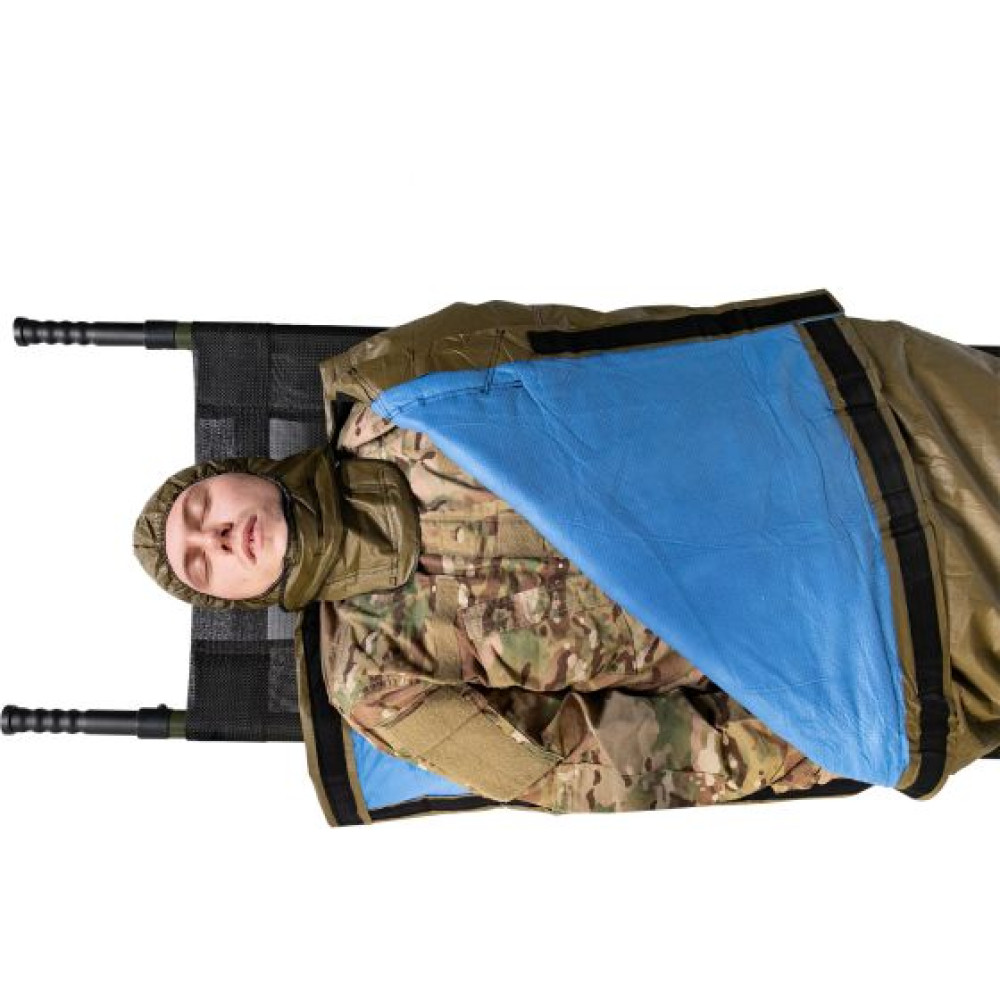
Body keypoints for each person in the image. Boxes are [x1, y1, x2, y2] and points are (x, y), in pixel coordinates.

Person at [133, 289, 1000, 814]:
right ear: (239, 599)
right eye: (204, 561)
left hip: (834, 434)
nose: (219, 535)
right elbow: (593, 767)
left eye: (203, 508)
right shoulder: (374, 685)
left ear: (238, 473)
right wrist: (799, 743)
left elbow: (615, 349)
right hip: (843, 632)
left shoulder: (395, 399)